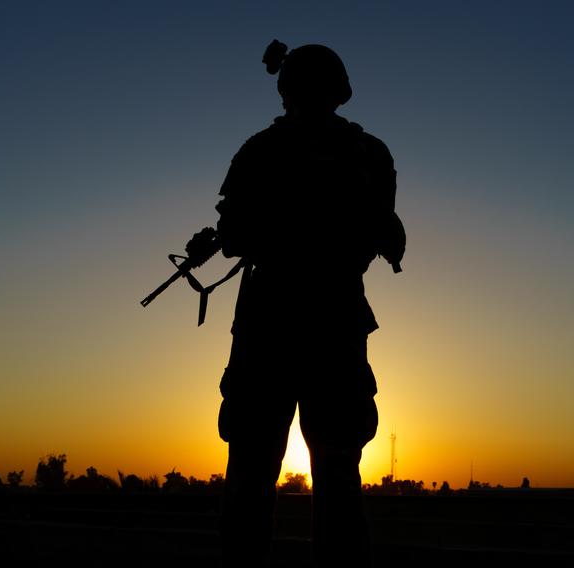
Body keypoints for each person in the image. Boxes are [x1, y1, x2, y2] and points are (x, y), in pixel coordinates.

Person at [186, 40, 405, 567]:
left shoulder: (261, 149)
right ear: (340, 91)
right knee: (336, 478)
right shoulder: (369, 152)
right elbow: (380, 237)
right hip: (335, 322)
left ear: (286, 89)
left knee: (252, 476)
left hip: (270, 326)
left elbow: (234, 234)